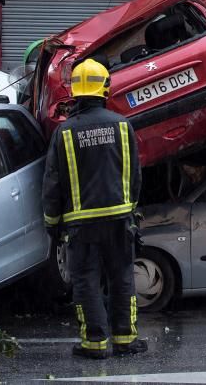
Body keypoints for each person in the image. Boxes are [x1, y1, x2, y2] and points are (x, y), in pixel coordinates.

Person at [42, 59, 146, 360]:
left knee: (86, 280)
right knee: (122, 277)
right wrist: (130, 209)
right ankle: (125, 340)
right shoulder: (123, 126)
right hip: (119, 220)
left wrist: (53, 223)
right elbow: (135, 175)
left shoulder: (64, 133)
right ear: (104, 89)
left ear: (74, 93)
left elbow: (52, 183)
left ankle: (95, 344)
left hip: (80, 225)